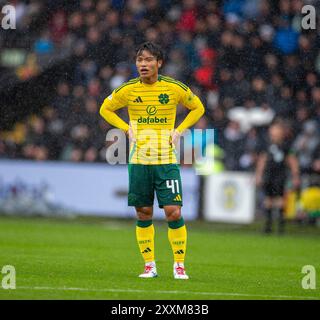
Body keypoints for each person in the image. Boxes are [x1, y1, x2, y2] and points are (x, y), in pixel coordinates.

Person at [99, 42, 205, 279]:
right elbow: (105, 109)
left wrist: (179, 129)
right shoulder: (127, 90)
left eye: (148, 60)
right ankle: (150, 266)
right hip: (139, 161)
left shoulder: (174, 88)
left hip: (166, 160)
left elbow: (198, 108)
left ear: (159, 63)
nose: (143, 64)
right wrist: (126, 128)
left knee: (173, 212)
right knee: (144, 212)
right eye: (139, 60)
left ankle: (179, 266)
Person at [255, 121, 300, 234]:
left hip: (280, 175)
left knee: (280, 200)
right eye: (272, 130)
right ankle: (268, 227)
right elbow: (262, 159)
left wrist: (295, 176)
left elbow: (292, 160)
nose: (273, 133)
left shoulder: (286, 145)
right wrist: (259, 175)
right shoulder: (267, 144)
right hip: (268, 175)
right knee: (268, 200)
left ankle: (280, 227)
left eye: (276, 130)